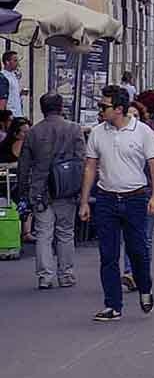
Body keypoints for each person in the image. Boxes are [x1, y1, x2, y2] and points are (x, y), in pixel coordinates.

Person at [79, 85, 154, 321]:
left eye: (103, 106)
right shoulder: (97, 132)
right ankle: (113, 305)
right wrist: (85, 201)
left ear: (119, 109)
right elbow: (90, 167)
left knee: (138, 251)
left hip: (135, 197)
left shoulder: (142, 131)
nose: (100, 110)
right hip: (106, 198)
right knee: (108, 254)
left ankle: (145, 288)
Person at [19, 92, 85, 289]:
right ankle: (66, 275)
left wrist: (23, 191)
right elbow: (82, 160)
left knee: (43, 233)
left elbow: (24, 165)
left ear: (42, 108)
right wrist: (82, 188)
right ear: (61, 107)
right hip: (67, 188)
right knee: (65, 232)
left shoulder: (33, 132)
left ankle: (45, 276)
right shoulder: (74, 129)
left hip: (40, 189)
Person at [0, 49, 25, 119]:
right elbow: (2, 98)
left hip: (18, 113)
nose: (17, 63)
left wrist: (20, 93)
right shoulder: (3, 77)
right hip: (10, 116)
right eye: (15, 60)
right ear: (7, 62)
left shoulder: (14, 75)